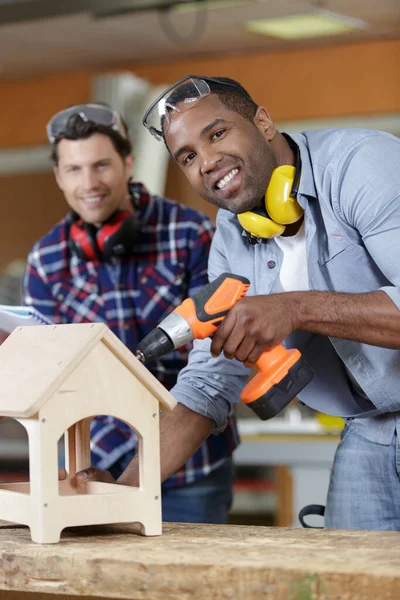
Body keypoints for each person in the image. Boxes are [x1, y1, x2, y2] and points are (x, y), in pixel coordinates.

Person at [75, 77, 400, 531]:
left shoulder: (361, 166)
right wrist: (122, 493)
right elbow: (210, 381)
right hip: (367, 427)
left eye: (218, 133)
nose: (207, 161)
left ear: (263, 122)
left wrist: (294, 308)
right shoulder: (232, 235)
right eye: (187, 156)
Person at [23, 102, 239, 524]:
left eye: (101, 165)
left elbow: (219, 351)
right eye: (74, 169)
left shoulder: (190, 233)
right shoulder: (46, 260)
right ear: (58, 176)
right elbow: (50, 379)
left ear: (128, 162)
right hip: (95, 469)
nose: (89, 183)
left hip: (191, 471)